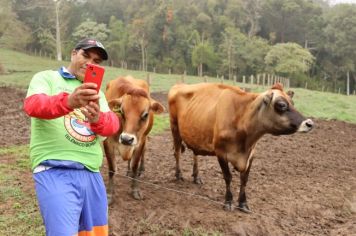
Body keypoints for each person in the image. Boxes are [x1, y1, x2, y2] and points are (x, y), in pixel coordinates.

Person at [23, 38, 119, 236]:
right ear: (74, 53)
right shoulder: (46, 78)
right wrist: (69, 101)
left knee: (96, 233)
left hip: (92, 174)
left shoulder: (97, 93)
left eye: (96, 61)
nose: (90, 63)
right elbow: (33, 105)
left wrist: (97, 119)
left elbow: (113, 125)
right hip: (55, 169)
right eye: (86, 55)